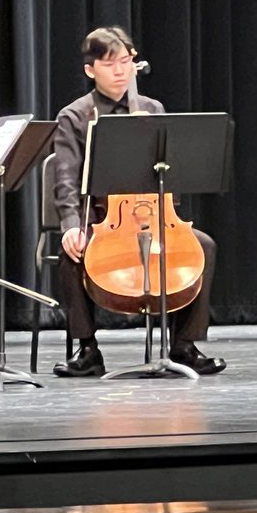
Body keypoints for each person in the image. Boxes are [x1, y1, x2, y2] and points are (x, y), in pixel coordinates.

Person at [50, 26, 226, 377]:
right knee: (74, 254)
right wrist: (71, 226)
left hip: (151, 213)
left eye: (127, 62)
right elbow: (65, 179)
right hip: (100, 217)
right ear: (90, 70)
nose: (120, 71)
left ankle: (184, 345)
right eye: (110, 63)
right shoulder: (75, 116)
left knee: (202, 246)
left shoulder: (151, 107)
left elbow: (169, 170)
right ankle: (87, 349)